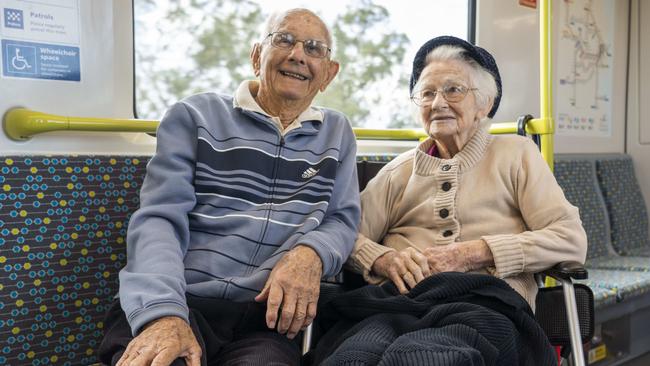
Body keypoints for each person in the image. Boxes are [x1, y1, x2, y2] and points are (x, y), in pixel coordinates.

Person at [98, 9, 360, 366]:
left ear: (329, 74)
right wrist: (163, 313)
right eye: (284, 39)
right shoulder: (195, 117)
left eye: (314, 48)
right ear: (257, 56)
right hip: (181, 300)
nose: (298, 54)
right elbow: (158, 222)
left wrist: (309, 254)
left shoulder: (337, 134)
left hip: (261, 322)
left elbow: (342, 219)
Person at [347, 35, 587, 310]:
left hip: (488, 305)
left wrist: (475, 253)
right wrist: (383, 260)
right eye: (427, 93)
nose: (438, 103)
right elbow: (344, 235)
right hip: (398, 304)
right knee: (353, 351)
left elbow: (570, 239)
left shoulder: (517, 154)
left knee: (435, 353)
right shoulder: (397, 173)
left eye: (453, 90)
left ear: (483, 105)